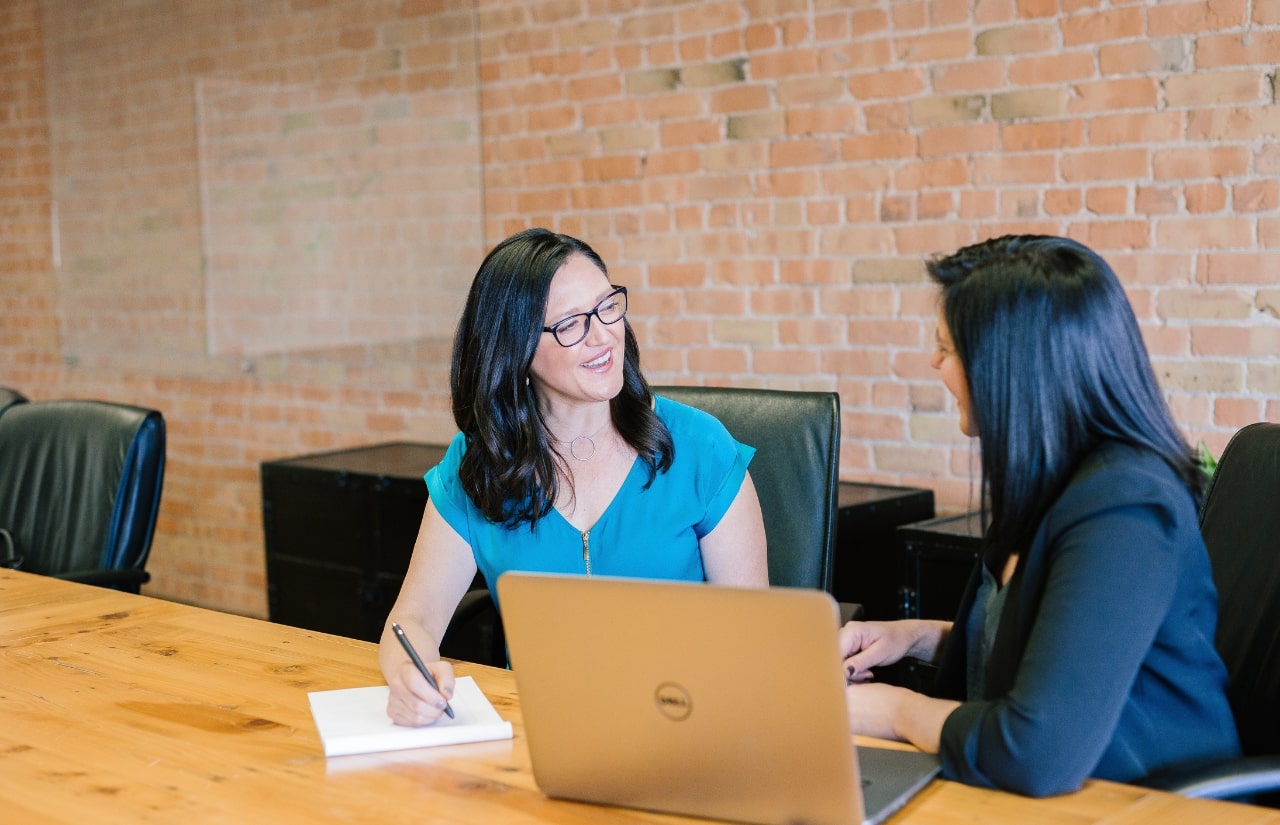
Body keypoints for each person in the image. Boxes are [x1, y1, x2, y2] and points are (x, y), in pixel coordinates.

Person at [839, 235, 1241, 796]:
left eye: (947, 348)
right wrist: (914, 637)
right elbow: (1050, 645)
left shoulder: (1126, 508)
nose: (933, 362)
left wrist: (894, 711)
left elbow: (1035, 751)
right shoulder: (1052, 481)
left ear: (1010, 368)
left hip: (1147, 801)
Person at [380, 228, 768, 726]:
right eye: (570, 324)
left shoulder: (700, 448)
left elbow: (754, 635)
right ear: (516, 350)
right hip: (540, 732)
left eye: (608, 307)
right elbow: (411, 620)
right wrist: (409, 679)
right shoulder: (478, 466)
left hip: (686, 723)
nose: (605, 334)